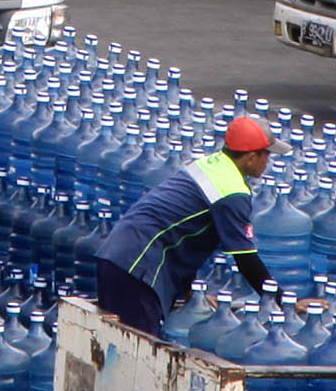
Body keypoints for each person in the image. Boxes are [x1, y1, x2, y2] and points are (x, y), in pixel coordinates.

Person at [94, 114, 296, 338]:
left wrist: (190, 290)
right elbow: (246, 258)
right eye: (266, 154)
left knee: (113, 344)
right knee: (136, 351)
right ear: (250, 157)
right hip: (139, 268)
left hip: (118, 255)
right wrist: (282, 303)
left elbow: (181, 230)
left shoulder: (210, 164)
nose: (268, 161)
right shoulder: (231, 190)